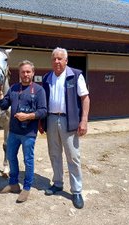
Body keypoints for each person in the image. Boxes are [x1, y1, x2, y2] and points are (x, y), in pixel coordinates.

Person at [41, 47, 90, 209]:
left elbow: (85, 98)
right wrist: (41, 122)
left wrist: (84, 121)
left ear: (66, 61)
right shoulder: (47, 77)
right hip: (52, 119)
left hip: (69, 121)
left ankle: (76, 191)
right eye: (54, 58)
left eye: (60, 58)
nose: (56, 61)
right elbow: (42, 102)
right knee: (54, 154)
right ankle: (57, 183)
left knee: (73, 157)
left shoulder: (75, 75)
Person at [0, 60, 47, 203]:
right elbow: (4, 105)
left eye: (28, 72)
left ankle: (26, 188)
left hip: (28, 133)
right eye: (23, 72)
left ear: (33, 73)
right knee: (11, 157)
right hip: (13, 131)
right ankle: (13, 184)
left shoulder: (38, 90)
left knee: (28, 160)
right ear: (19, 74)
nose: (25, 74)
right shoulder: (13, 88)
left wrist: (28, 116)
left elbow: (43, 111)